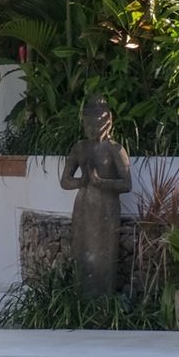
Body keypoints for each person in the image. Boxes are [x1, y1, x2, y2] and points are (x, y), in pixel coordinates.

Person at [59, 96, 132, 302]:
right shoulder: (80, 148)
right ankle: (81, 299)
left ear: (108, 121)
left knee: (104, 256)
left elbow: (126, 184)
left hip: (107, 208)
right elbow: (65, 181)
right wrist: (81, 181)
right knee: (82, 253)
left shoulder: (115, 149)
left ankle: (104, 300)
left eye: (98, 121)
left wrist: (101, 182)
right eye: (88, 122)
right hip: (83, 206)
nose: (93, 127)